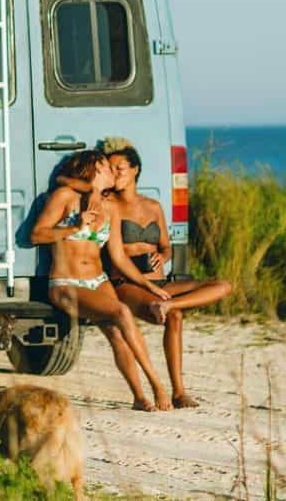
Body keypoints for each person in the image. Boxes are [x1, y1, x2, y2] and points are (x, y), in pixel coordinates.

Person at [30, 150, 172, 411]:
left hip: (98, 280)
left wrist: (148, 285)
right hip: (66, 284)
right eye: (107, 166)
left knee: (117, 333)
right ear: (93, 168)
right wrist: (74, 228)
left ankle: (140, 398)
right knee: (120, 312)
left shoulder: (111, 209)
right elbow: (36, 235)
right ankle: (157, 385)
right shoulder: (64, 197)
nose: (113, 172)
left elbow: (119, 259)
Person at [101, 137, 232, 408]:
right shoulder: (109, 204)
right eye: (111, 169)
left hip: (158, 282)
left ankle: (179, 391)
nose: (114, 174)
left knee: (222, 285)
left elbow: (166, 246)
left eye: (120, 168)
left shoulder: (153, 205)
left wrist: (162, 256)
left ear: (135, 169)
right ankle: (175, 390)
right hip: (126, 284)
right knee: (174, 316)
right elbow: (116, 257)